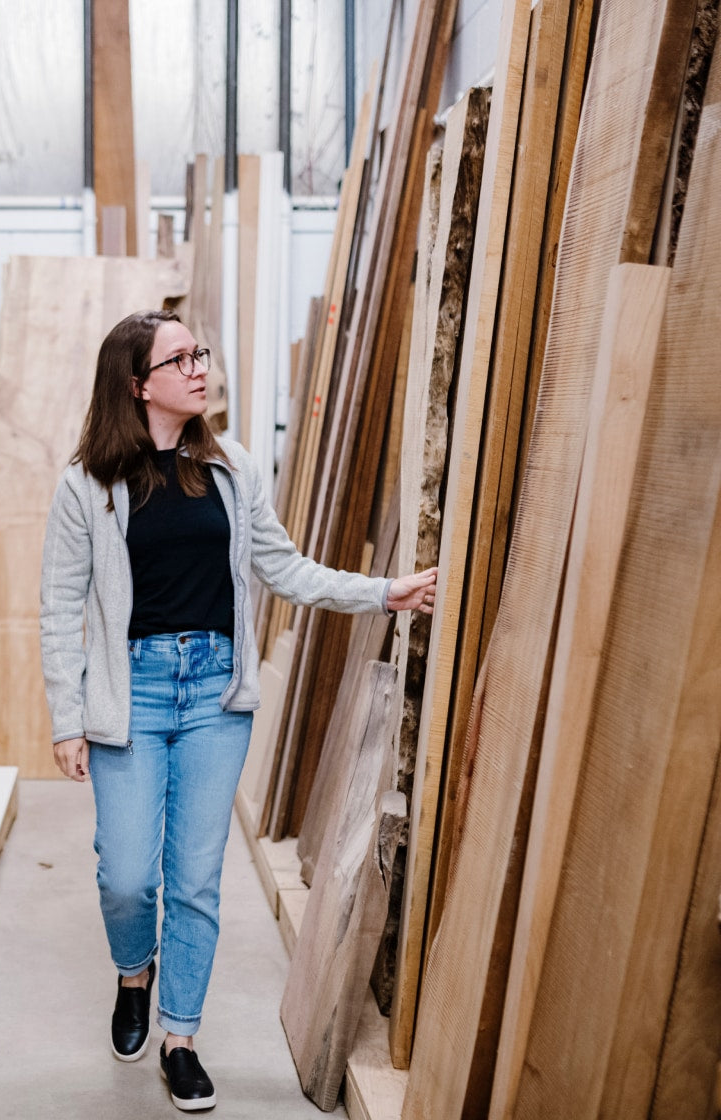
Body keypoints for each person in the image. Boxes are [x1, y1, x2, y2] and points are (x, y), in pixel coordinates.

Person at [39, 309, 436, 1113]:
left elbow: (283, 568)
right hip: (133, 696)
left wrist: (383, 594)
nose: (199, 367)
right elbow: (59, 608)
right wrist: (67, 717)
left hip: (215, 692)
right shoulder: (87, 484)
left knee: (193, 879)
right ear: (136, 383)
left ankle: (180, 1038)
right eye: (179, 358)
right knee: (124, 875)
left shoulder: (230, 467)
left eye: (201, 353)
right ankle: (133, 972)